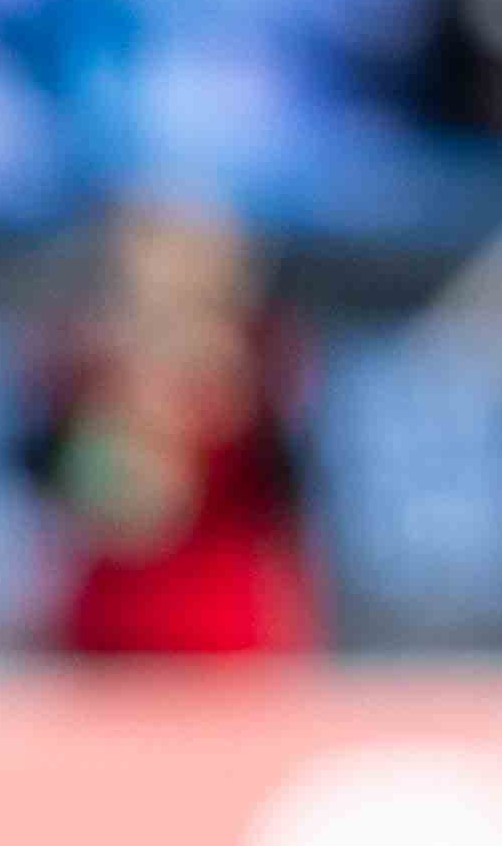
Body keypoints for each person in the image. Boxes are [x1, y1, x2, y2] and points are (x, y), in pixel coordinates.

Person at [26, 194, 317, 659]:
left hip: (226, 628)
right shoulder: (87, 364)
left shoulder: (265, 359)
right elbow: (115, 507)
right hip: (114, 625)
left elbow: (291, 506)